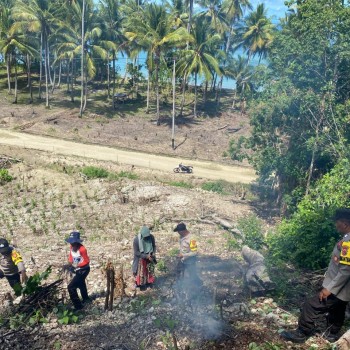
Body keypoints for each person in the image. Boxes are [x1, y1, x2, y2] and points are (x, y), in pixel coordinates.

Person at [281, 208, 350, 343]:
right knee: (338, 309)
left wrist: (329, 288)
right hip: (344, 289)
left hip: (338, 286)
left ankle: (302, 332)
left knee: (312, 305)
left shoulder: (348, 242)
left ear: (345, 223)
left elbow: (346, 270)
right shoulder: (347, 238)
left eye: (337, 222)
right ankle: (332, 333)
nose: (336, 225)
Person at [65, 231, 91, 310]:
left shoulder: (82, 249)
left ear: (77, 242)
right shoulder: (71, 247)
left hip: (84, 269)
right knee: (81, 284)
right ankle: (86, 299)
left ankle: (78, 306)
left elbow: (86, 261)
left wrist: (77, 266)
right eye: (71, 243)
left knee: (71, 287)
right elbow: (71, 257)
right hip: (77, 269)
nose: (72, 245)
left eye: (74, 243)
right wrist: (69, 264)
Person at [132, 226, 156, 290]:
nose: (147, 238)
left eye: (148, 236)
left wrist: (152, 254)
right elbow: (136, 252)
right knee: (141, 272)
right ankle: (141, 284)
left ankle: (149, 282)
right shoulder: (137, 240)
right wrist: (145, 256)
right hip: (141, 258)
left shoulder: (151, 237)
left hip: (149, 257)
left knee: (149, 270)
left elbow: (154, 246)